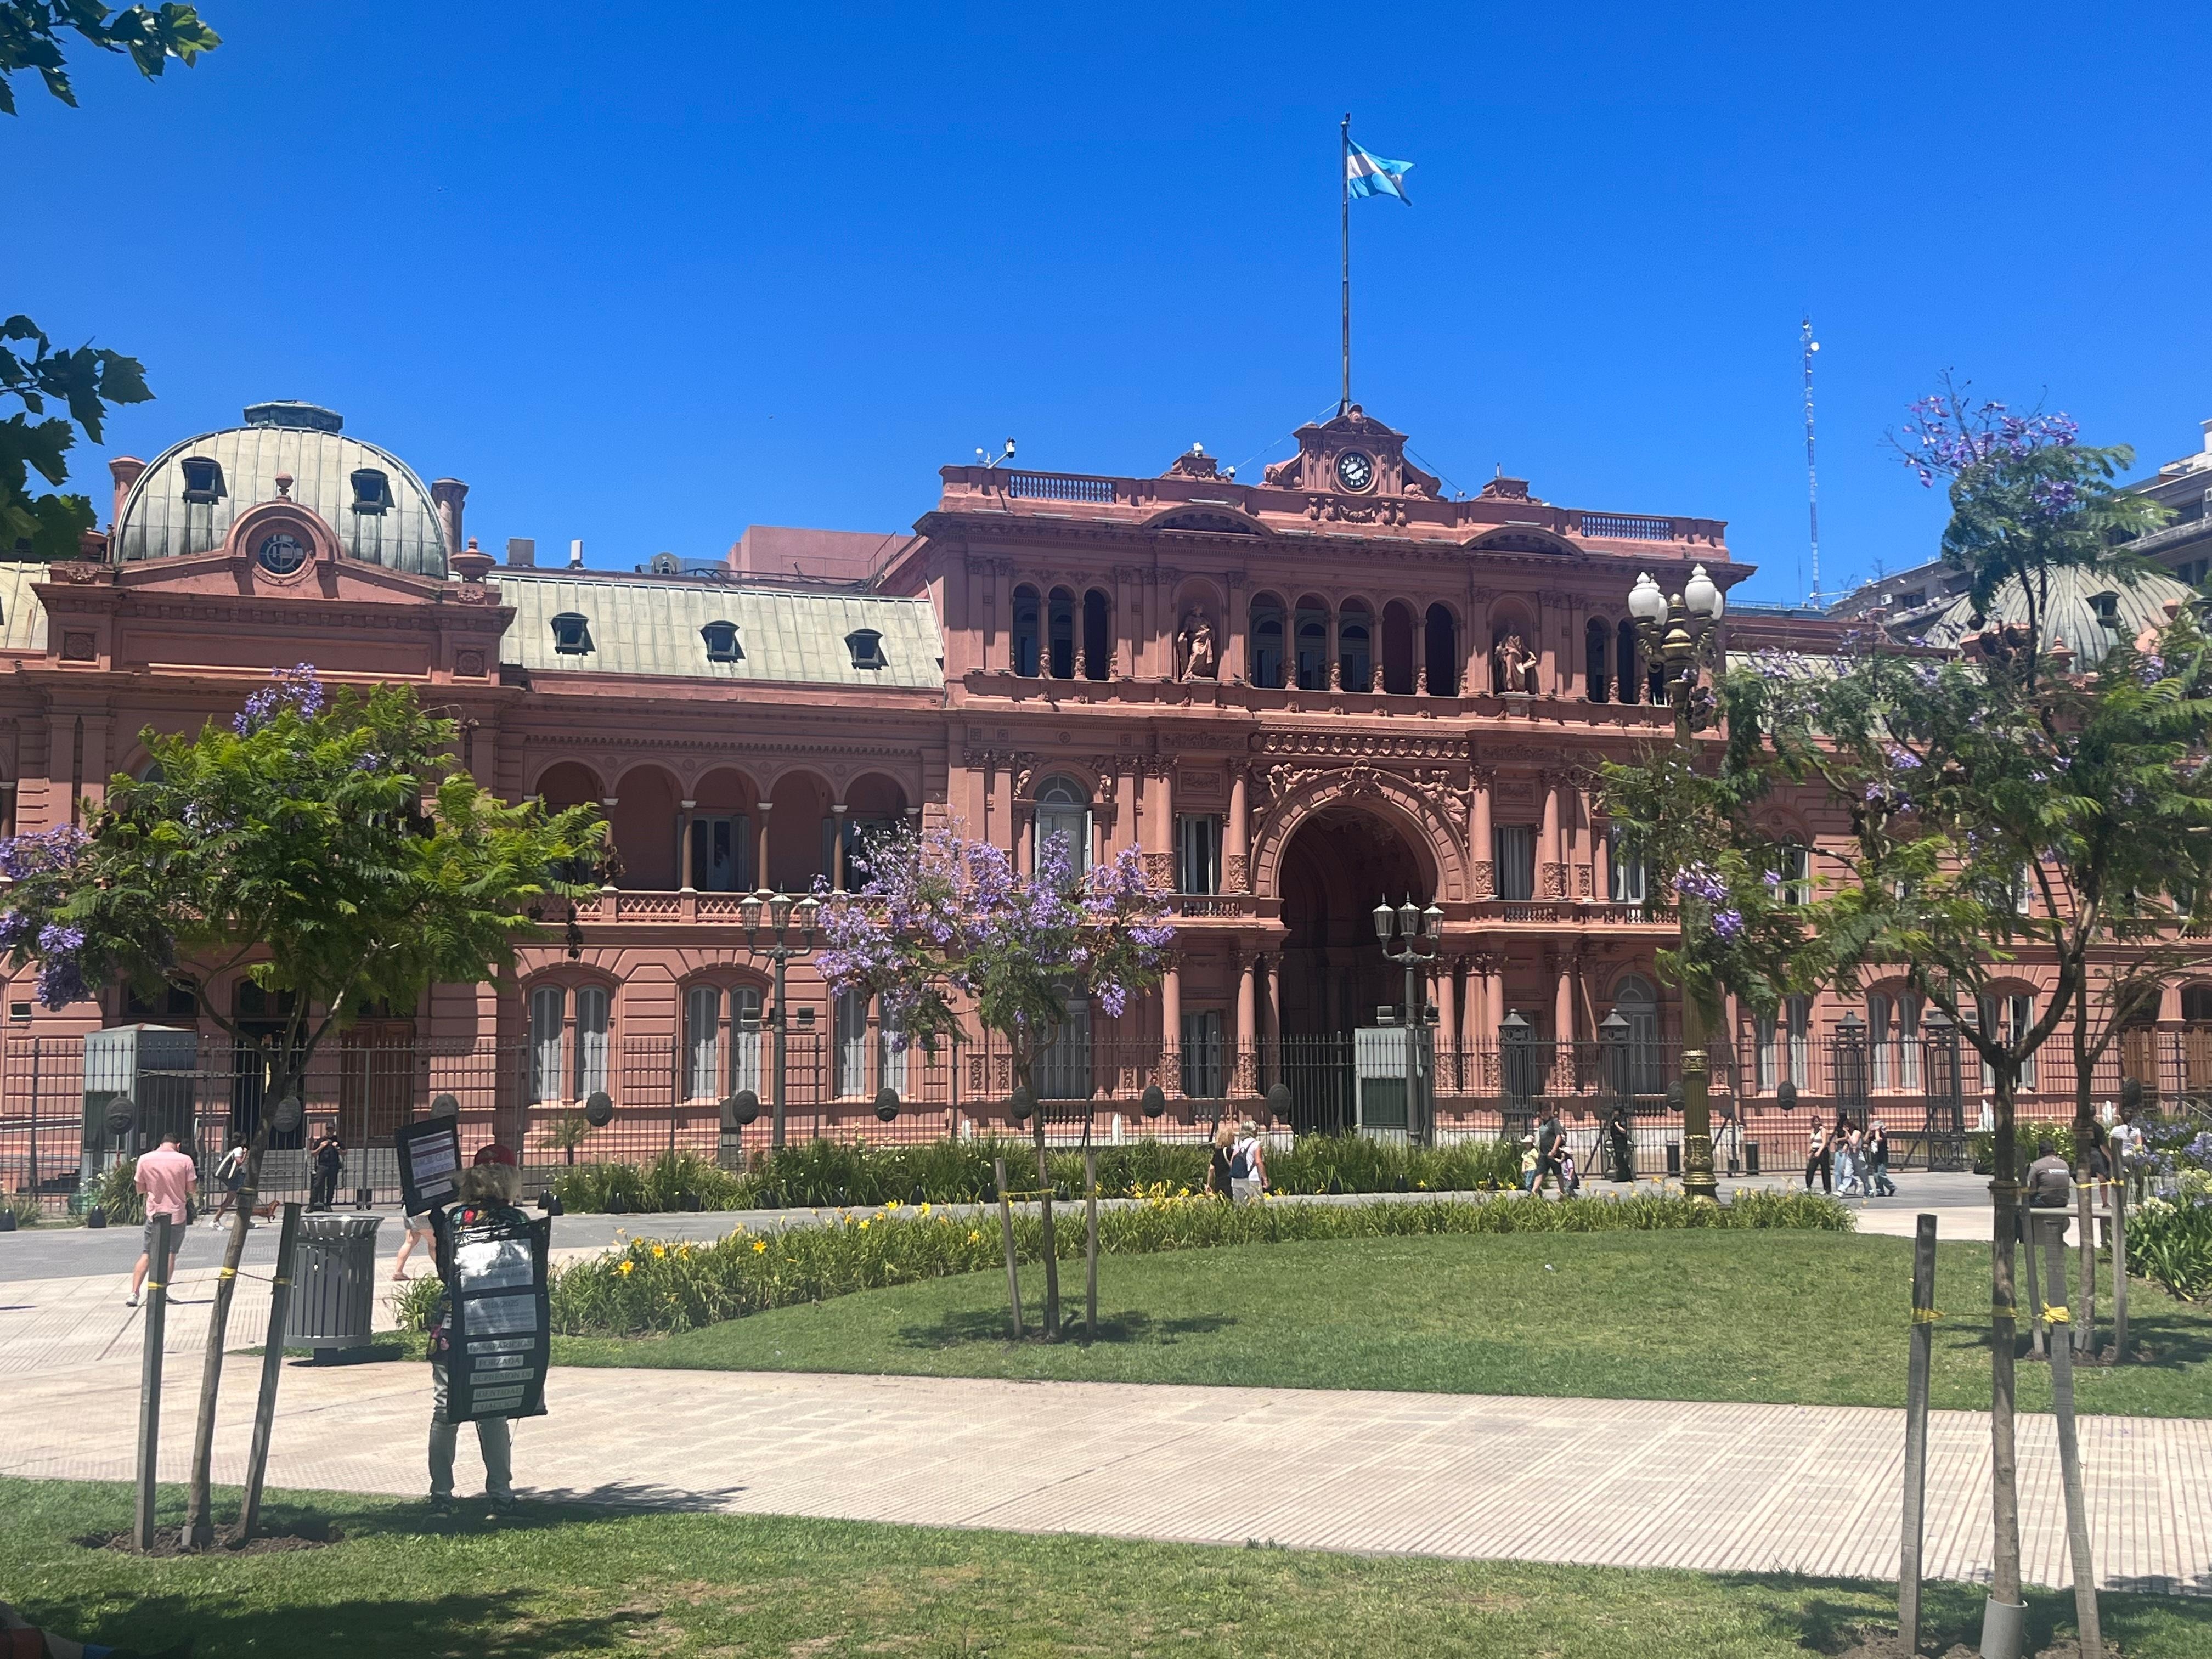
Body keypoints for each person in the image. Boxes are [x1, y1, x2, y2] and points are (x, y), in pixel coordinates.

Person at [427, 1154, 527, 1513]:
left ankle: (441, 1494)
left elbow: (445, 1272)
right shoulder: (517, 1221)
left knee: (445, 1409)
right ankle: (501, 1494)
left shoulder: (455, 1219)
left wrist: (438, 1227)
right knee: (494, 1410)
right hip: (497, 1325)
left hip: (454, 1324)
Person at [128, 1131, 196, 1308]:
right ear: (178, 1145)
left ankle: (134, 1293)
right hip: (176, 1214)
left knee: (147, 1253)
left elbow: (140, 1188)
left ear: (161, 1144)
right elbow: (192, 1188)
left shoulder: (145, 1159)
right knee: (170, 1253)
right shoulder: (185, 1160)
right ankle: (161, 1290)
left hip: (155, 1213)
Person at [208, 1134, 249, 1226]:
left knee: (242, 1199)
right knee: (230, 1200)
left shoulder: (232, 1150)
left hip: (237, 1177)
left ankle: (245, 1221)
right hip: (237, 1178)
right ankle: (215, 1221)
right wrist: (246, 1154)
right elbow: (239, 1162)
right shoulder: (239, 1150)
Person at [393, 1202, 438, 1280]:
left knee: (410, 1241)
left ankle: (398, 1272)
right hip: (423, 1213)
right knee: (435, 1244)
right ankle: (444, 1271)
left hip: (408, 1210)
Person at [2026, 1137, 2073, 1209]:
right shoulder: (2065, 1165)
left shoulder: (2037, 1165)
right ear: (2054, 1151)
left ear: (2040, 1153)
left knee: (2019, 1206)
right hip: (2063, 1202)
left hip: (2044, 1202)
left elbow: (2032, 1191)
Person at [309, 1125, 345, 1212]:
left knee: (331, 1185)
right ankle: (311, 1205)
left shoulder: (337, 1140)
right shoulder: (321, 1141)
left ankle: (328, 1205)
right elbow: (313, 1154)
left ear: (334, 1130)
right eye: (328, 1130)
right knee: (317, 1185)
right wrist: (321, 1147)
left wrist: (337, 1148)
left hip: (333, 1166)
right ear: (326, 1130)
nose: (330, 1132)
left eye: (332, 1130)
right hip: (322, 1166)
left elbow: (344, 1153)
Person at [1229, 1119, 1267, 1202]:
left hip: (1237, 1179)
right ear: (1254, 1131)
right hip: (1252, 1178)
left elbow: (1232, 1162)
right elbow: (1258, 1162)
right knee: (1258, 1206)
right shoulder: (1256, 1144)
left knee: (1240, 1207)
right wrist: (1265, 1178)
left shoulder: (1238, 1144)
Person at [1206, 1121, 1235, 1201]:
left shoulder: (1217, 1153)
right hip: (1231, 1183)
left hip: (1219, 1184)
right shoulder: (1232, 1152)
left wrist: (1208, 1184)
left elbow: (1211, 1169)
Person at [1867, 1119, 1896, 1197]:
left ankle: (1892, 1187)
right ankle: (1880, 1191)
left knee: (1881, 1174)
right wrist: (1868, 1132)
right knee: (1876, 1176)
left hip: (1882, 1158)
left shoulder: (1882, 1136)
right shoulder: (1872, 1137)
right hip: (1875, 1158)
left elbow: (1878, 1140)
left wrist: (1877, 1132)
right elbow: (1865, 1140)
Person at [1804, 1121, 1831, 1194]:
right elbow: (1813, 1142)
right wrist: (1809, 1151)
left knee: (1825, 1170)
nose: (1816, 1123)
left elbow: (1825, 1142)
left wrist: (1819, 1151)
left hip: (1823, 1151)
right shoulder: (1812, 1131)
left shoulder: (1823, 1130)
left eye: (1818, 1121)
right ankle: (1808, 1187)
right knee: (1810, 1169)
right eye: (1815, 1121)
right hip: (1814, 1150)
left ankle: (1827, 1189)